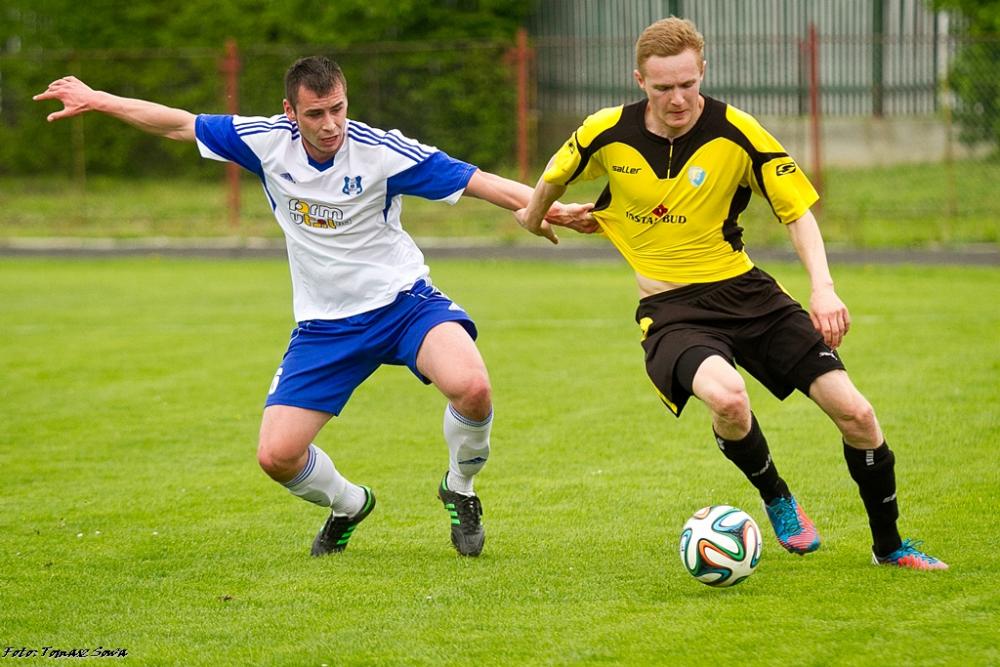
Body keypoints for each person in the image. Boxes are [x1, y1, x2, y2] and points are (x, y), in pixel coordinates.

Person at [35, 56, 586, 558]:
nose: (330, 124)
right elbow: (178, 123)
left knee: (473, 386)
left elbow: (477, 181)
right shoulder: (263, 140)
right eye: (316, 112)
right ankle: (349, 503)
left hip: (403, 304)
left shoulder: (380, 151)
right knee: (276, 457)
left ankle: (459, 489)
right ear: (290, 112)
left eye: (338, 108)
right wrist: (101, 100)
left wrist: (546, 207)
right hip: (325, 326)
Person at [514, 17, 946, 570]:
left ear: (703, 72)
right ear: (639, 80)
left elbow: (797, 212)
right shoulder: (604, 131)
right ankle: (777, 496)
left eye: (688, 84)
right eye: (663, 87)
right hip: (671, 310)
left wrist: (824, 289)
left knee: (857, 414)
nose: (678, 98)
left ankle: (891, 548)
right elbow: (551, 180)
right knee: (728, 399)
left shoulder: (736, 130)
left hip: (748, 295)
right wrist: (542, 217)